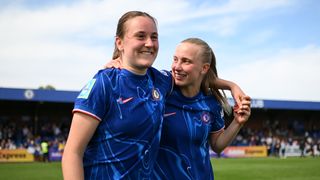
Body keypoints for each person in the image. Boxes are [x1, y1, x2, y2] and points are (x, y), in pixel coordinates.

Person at [62, 11, 245, 180]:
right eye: (140, 36)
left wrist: (232, 86)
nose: (149, 43)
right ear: (120, 42)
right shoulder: (104, 83)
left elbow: (196, 77)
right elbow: (72, 152)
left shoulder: (160, 81)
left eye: (154, 37)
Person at [153, 38, 251, 179]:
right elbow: (135, 71)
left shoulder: (211, 103)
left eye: (186, 61)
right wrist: (116, 65)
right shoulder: (163, 87)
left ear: (204, 68)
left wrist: (238, 122)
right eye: (175, 59)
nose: (176, 67)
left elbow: (217, 145)